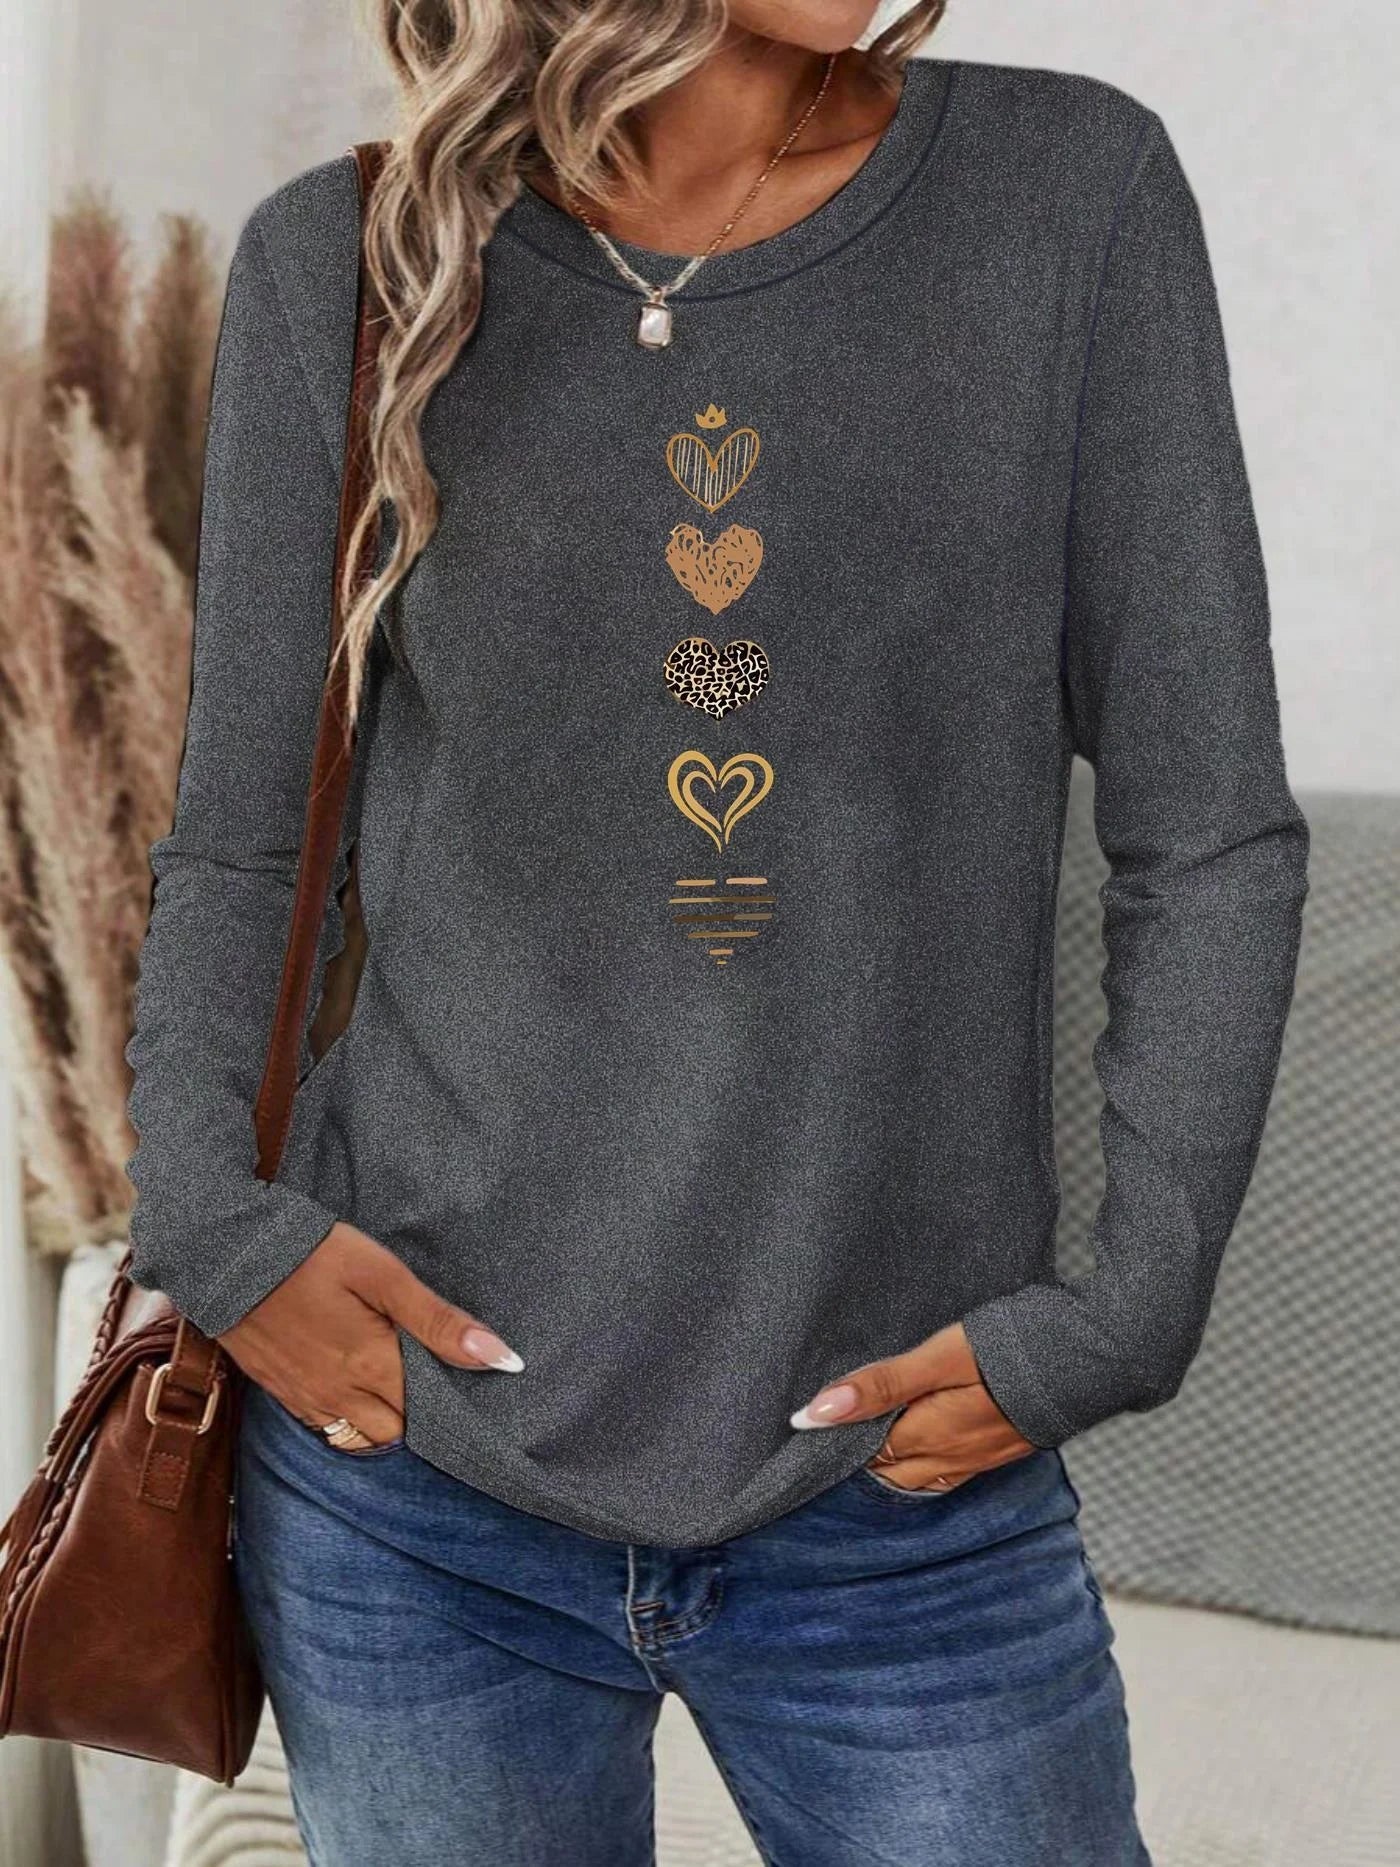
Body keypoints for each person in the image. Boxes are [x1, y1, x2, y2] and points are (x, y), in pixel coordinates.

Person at [122, 2, 1310, 1861]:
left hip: (896, 1499)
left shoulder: (1069, 197)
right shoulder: (348, 262)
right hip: (412, 1492)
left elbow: (1209, 831)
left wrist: (1125, 1315)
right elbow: (249, 842)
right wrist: (212, 1224)